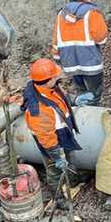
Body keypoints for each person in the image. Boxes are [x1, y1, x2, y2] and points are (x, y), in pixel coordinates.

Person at [21, 58, 82, 210]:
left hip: (63, 133)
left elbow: (59, 99)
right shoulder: (38, 109)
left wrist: (74, 100)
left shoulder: (48, 89)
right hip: (52, 141)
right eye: (55, 76)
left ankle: (72, 180)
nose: (58, 77)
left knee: (70, 159)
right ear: (47, 80)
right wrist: (55, 156)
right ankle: (58, 197)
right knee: (55, 170)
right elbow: (45, 137)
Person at [51, 0, 109, 106]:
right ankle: (91, 113)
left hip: (70, 63)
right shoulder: (92, 13)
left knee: (81, 92)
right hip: (90, 63)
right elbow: (101, 38)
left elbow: (56, 40)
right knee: (94, 95)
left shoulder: (61, 13)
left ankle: (80, 113)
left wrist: (58, 61)